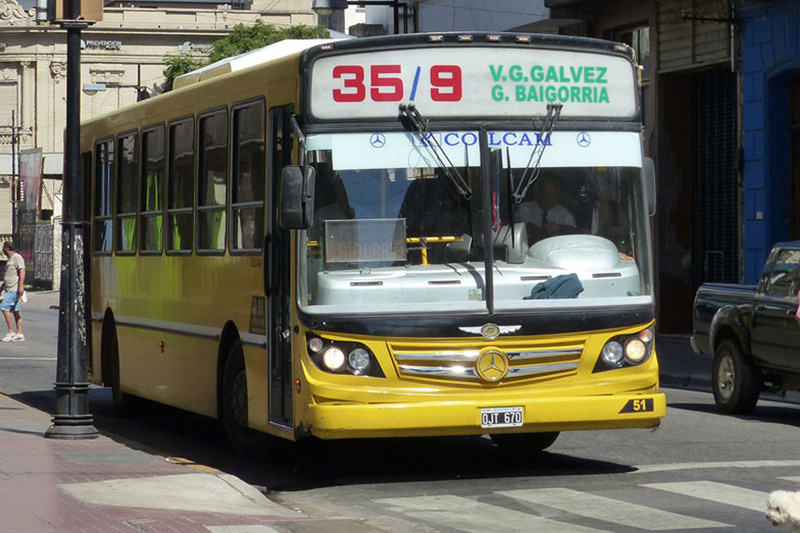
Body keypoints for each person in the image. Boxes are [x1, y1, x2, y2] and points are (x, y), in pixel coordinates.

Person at [517, 174, 576, 242]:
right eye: (543, 193)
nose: (546, 198)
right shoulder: (524, 209)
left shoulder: (565, 215)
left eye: (550, 194)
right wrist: (545, 230)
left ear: (557, 194)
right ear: (536, 192)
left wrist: (559, 230)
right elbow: (525, 228)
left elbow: (571, 237)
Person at [1, 241, 25, 342]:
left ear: (7, 248)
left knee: (4, 308)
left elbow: (22, 271)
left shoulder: (16, 257)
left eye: (3, 248)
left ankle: (11, 332)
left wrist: (20, 287)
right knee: (15, 311)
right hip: (8, 288)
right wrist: (1, 288)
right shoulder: (9, 260)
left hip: (14, 289)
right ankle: (20, 333)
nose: (2, 250)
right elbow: (8, 276)